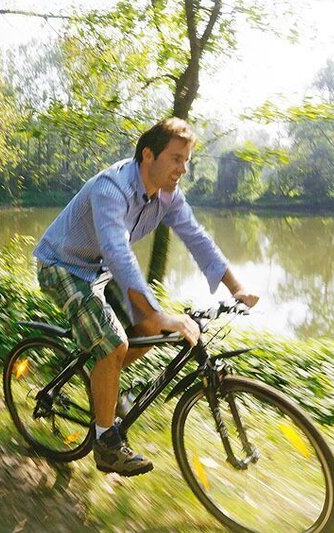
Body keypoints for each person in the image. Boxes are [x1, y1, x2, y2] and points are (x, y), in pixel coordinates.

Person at [33, 117, 259, 477]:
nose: (183, 169)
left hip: (98, 270)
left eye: (187, 160)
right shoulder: (111, 188)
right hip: (62, 265)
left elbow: (197, 238)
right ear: (148, 155)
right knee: (114, 344)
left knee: (150, 332)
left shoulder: (168, 196)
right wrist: (157, 313)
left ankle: (103, 386)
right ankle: (106, 445)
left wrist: (236, 287)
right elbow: (117, 252)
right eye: (176, 158)